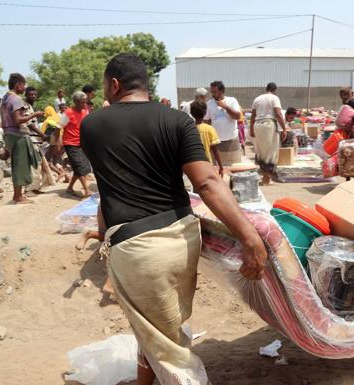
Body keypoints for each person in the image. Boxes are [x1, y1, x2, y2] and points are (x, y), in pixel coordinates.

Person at [80, 53, 267, 385]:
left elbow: (109, 186)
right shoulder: (178, 121)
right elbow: (207, 182)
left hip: (136, 249)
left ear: (114, 85)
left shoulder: (92, 125)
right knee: (158, 328)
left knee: (168, 346)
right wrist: (248, 234)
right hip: (182, 240)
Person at [0, 73, 44, 204]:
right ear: (18, 85)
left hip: (9, 134)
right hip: (18, 135)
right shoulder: (16, 99)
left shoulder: (5, 99)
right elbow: (18, 119)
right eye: (23, 85)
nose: (24, 88)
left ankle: (18, 195)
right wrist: (34, 114)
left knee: (17, 165)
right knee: (21, 165)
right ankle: (18, 196)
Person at [250, 82, 287, 185]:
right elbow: (278, 113)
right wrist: (284, 129)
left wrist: (251, 129)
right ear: (275, 90)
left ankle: (267, 177)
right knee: (270, 152)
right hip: (268, 124)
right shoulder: (274, 98)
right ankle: (266, 178)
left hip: (258, 125)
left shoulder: (257, 99)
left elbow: (253, 115)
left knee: (261, 152)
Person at [204, 81, 242, 166]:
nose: (212, 94)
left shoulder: (232, 101)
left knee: (234, 167)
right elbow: (207, 122)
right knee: (217, 168)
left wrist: (225, 106)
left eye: (215, 92)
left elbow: (237, 116)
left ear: (222, 91)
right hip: (216, 142)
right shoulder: (209, 104)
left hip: (231, 141)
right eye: (211, 92)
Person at [61, 91, 91, 198]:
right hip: (70, 143)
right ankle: (87, 190)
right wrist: (56, 143)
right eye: (82, 102)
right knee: (79, 166)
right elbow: (58, 127)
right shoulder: (68, 113)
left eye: (85, 102)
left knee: (80, 167)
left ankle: (69, 188)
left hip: (81, 143)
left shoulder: (85, 111)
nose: (84, 104)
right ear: (75, 101)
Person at [190, 100, 223, 176]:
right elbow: (215, 150)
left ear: (191, 113)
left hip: (193, 166)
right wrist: (221, 167)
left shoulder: (189, 129)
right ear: (205, 113)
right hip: (207, 165)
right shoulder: (209, 129)